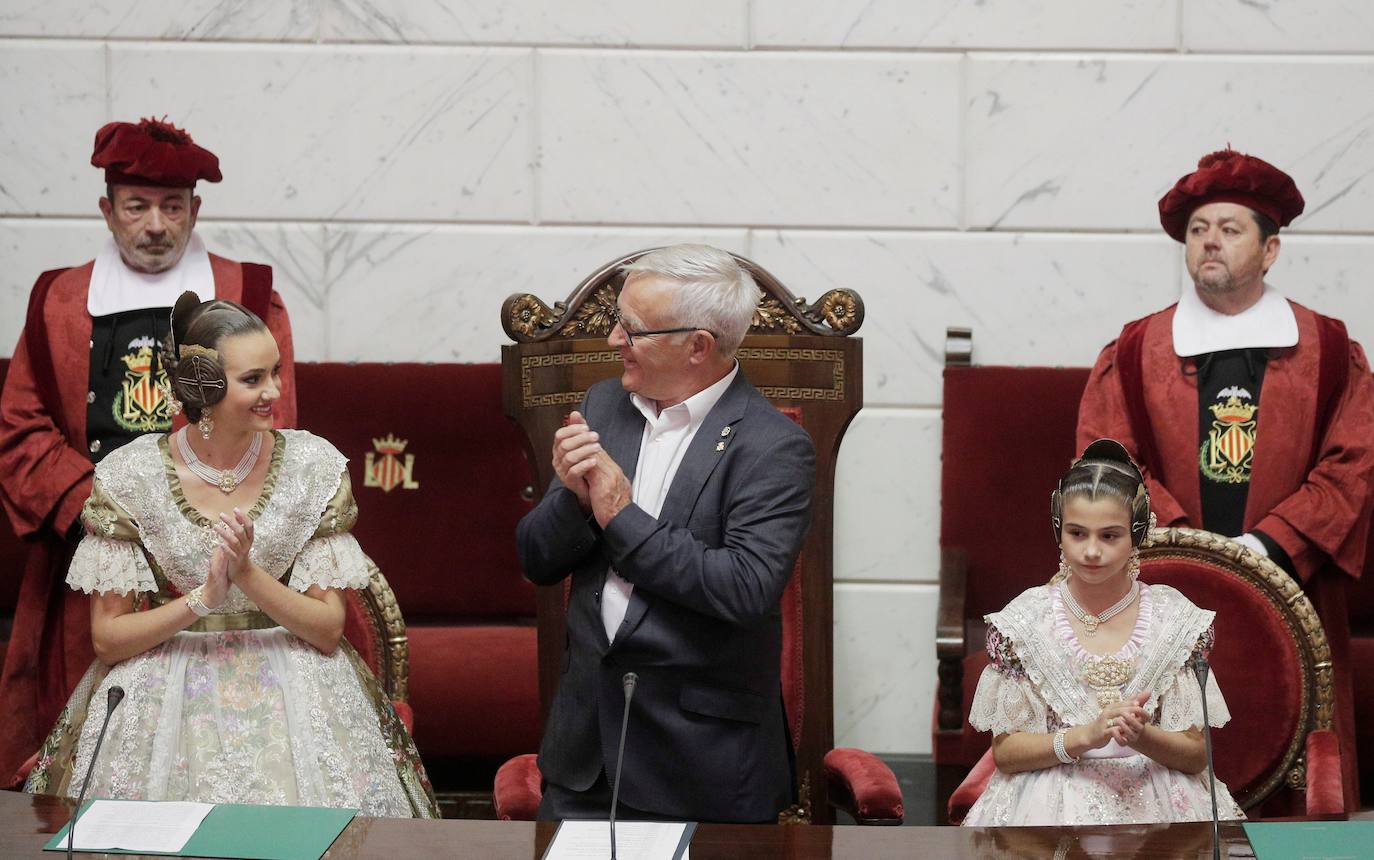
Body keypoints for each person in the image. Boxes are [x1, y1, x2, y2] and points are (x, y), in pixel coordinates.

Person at [22, 293, 434, 817]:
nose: (275, 391)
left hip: (295, 678)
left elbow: (329, 628)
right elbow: (108, 639)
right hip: (165, 677)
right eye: (253, 379)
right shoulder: (131, 476)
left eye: (276, 373)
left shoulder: (313, 466)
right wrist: (202, 598)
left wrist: (247, 575)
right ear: (202, 386)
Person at [0, 117, 297, 785]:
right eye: (137, 206)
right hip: (96, 553)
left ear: (196, 210)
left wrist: (188, 521)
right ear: (108, 210)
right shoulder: (58, 300)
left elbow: (273, 419)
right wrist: (103, 508)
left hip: (212, 548)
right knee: (90, 760)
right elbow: (19, 426)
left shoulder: (248, 293)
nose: (155, 225)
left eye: (171, 207)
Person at [1076, 148, 1374, 807]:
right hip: (1160, 593)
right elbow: (1108, 467)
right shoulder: (1133, 351)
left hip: (1293, 595)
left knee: (1298, 787)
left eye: (1230, 228)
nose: (1210, 241)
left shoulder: (1327, 350)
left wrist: (1265, 550)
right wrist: (1196, 556)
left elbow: (1352, 464)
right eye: (1198, 229)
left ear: (1270, 251)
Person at [516, 244, 814, 823]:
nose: (613, 341)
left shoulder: (773, 446)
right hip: (583, 760)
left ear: (698, 345)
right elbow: (535, 559)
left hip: (701, 767)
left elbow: (743, 587)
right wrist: (575, 503)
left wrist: (620, 515)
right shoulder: (605, 404)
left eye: (633, 329)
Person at [963, 439, 1243, 826]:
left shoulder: (1174, 619)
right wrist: (1083, 737)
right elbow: (1007, 753)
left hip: (1155, 796)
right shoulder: (1026, 621)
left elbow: (1196, 754)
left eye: (1109, 535)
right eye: (1078, 533)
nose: (1091, 551)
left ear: (1138, 534)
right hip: (1049, 800)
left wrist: (1141, 736)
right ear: (1059, 530)